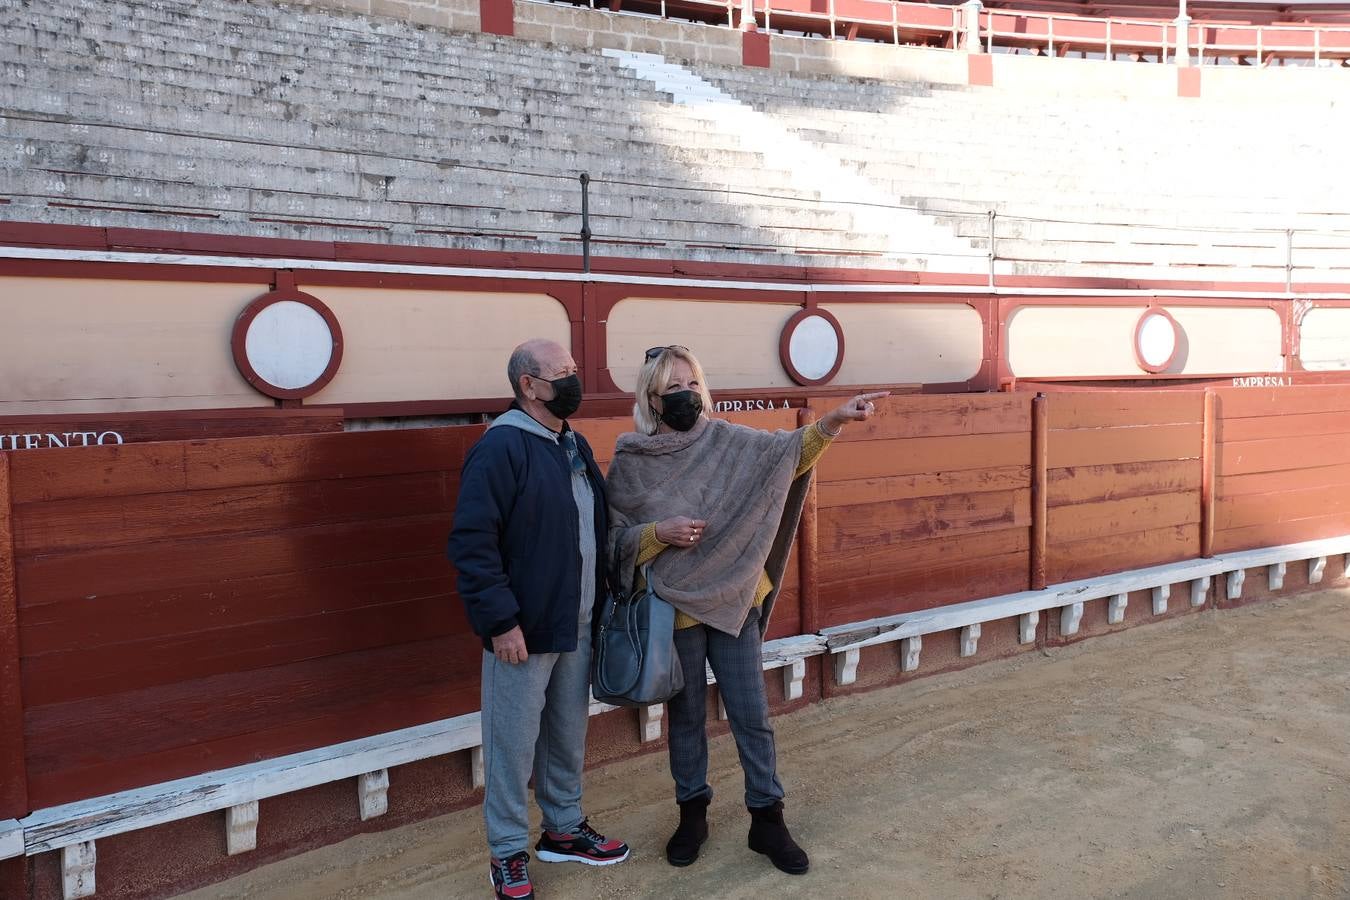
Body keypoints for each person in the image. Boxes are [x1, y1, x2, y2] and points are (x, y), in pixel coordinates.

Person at [606, 344, 886, 875]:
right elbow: (614, 539)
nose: (687, 395)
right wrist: (656, 533)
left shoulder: (727, 440)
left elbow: (787, 454)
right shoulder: (632, 460)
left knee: (751, 714)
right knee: (685, 719)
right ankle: (692, 814)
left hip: (735, 600)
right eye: (674, 389)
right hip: (674, 609)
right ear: (652, 399)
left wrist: (832, 421)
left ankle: (767, 818)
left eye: (693, 384)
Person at [448, 339, 629, 900]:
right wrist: (500, 623)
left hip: (574, 622)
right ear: (529, 385)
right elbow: (473, 544)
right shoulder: (500, 448)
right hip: (521, 632)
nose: (574, 380)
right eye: (563, 373)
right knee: (512, 745)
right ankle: (506, 853)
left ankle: (563, 829)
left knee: (566, 737)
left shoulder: (568, 443)